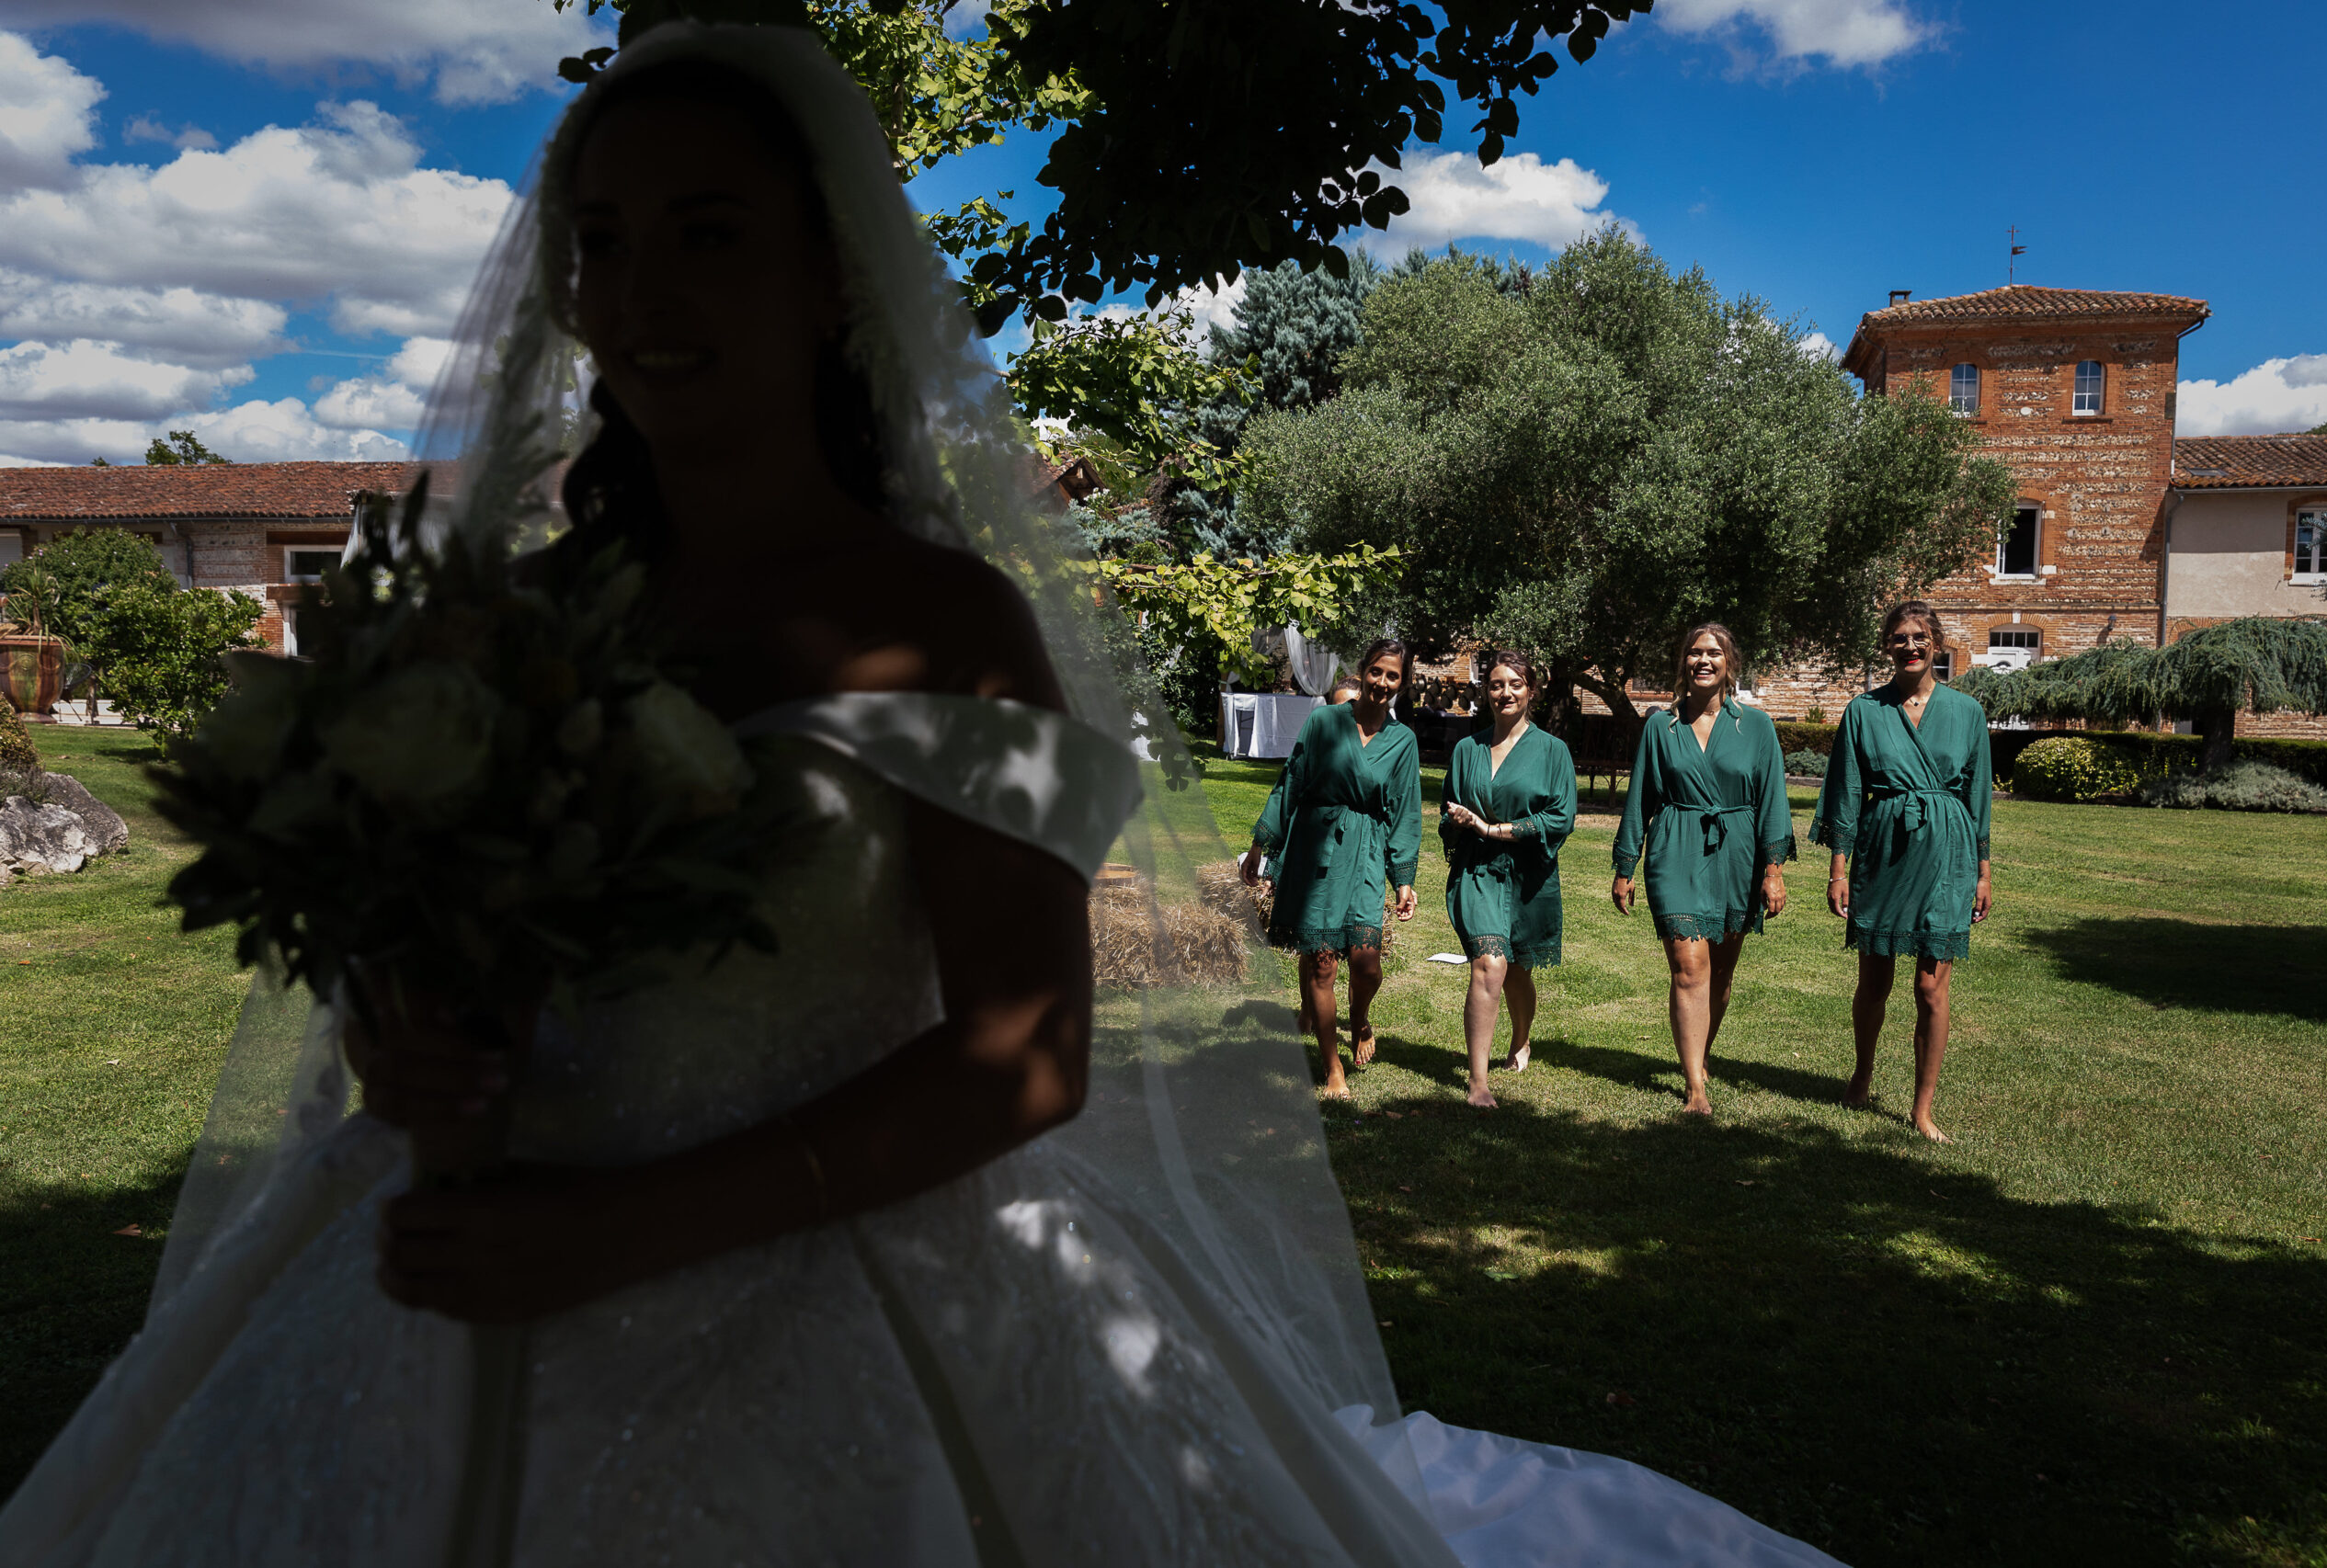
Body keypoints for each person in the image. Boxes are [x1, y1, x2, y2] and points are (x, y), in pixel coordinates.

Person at [2, 28, 1847, 1568]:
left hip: (841, 1284)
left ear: (824, 278)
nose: (639, 297)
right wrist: (411, 1046)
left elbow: (1028, 1055)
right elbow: (464, 939)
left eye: (706, 235)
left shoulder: (939, 618)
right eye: (604, 242)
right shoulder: (526, 620)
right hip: (455, 1260)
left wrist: (628, 1228)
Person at [1810, 600, 1993, 1143]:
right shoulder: (1863, 711)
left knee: (1931, 988)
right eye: (1899, 638)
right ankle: (1863, 1075)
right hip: (1883, 849)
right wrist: (1838, 868)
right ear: (1887, 646)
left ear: (1936, 643)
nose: (1910, 647)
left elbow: (1979, 798)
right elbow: (1844, 795)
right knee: (1875, 980)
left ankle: (1922, 1107)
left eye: (1919, 637)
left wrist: (1983, 873)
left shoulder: (1966, 713)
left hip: (1948, 853)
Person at [1610, 625, 1792, 1116]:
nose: (1703, 661)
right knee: (1689, 967)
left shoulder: (1756, 726)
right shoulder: (1659, 726)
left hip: (1738, 853)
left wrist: (1772, 869)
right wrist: (1626, 863)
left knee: (1722, 972)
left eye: (1714, 653)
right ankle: (1695, 1086)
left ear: (1730, 662)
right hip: (1676, 846)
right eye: (1695, 653)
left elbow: (1773, 798)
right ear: (1683, 663)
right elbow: (1639, 797)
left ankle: (1700, 1055)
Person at [1242, 642, 1420, 1098]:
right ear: (1362, 672)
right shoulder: (1324, 722)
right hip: (1316, 849)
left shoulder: (1403, 741)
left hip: (1365, 853)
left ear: (1403, 682)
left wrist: (1402, 880)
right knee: (1322, 965)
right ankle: (1332, 1066)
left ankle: (1359, 1019)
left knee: (1366, 966)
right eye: (1376, 672)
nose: (1382, 683)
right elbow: (1292, 783)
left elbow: (1405, 812)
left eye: (1393, 676)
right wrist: (1261, 845)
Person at [1439, 652, 1576, 1108]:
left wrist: (1494, 828)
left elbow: (1560, 818)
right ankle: (1478, 1081)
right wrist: (1459, 821)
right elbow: (1448, 810)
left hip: (1529, 875)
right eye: (1496, 685)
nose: (1506, 693)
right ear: (1486, 692)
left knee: (1517, 969)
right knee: (1490, 963)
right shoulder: (1467, 749)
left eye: (1515, 683)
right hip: (1477, 872)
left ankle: (1521, 1037)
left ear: (1531, 691)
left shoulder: (1553, 751)